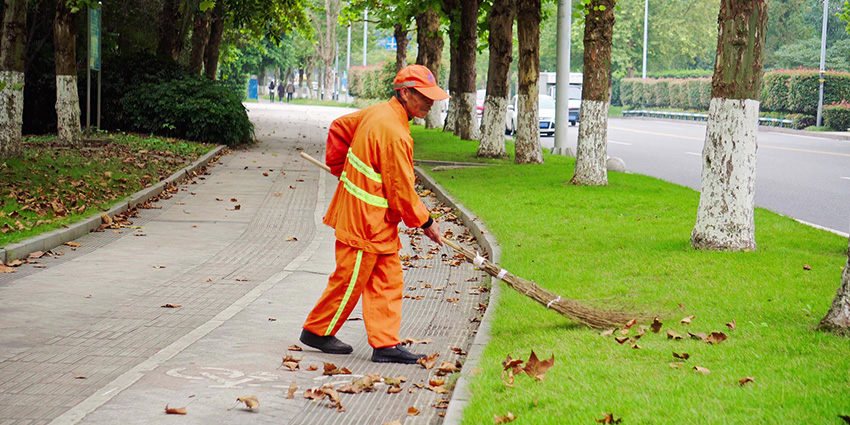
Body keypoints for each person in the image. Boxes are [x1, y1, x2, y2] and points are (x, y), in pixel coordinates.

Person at [300, 65, 449, 364]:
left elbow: (340, 126)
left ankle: (385, 345)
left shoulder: (379, 113)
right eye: (424, 96)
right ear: (405, 93)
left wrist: (341, 168)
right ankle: (317, 330)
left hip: (376, 220)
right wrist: (426, 222)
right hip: (363, 221)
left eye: (432, 96)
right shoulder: (393, 132)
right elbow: (401, 189)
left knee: (387, 278)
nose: (430, 103)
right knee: (350, 278)